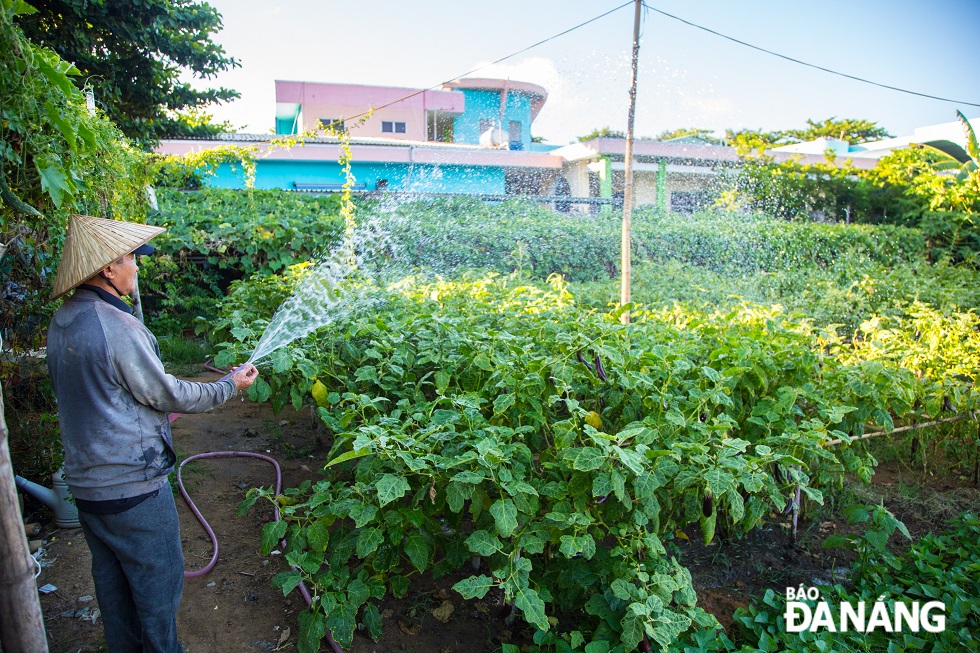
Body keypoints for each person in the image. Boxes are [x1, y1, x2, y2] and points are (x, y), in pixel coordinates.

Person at [46, 214, 259, 653]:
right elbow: (166, 393)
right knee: (158, 598)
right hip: (132, 490)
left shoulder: (63, 321)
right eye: (131, 259)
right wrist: (228, 385)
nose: (137, 268)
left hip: (87, 489)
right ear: (108, 268)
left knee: (115, 594)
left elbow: (109, 395)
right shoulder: (116, 325)